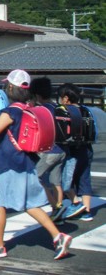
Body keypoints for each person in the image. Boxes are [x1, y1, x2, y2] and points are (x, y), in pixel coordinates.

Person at [0, 69, 72, 260]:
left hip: (8, 163)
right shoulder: (29, 109)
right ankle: (58, 236)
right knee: (31, 205)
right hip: (26, 162)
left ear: (10, 87)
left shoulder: (10, 112)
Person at [29, 77, 68, 222]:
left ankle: (56, 207)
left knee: (36, 177)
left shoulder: (39, 110)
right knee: (55, 182)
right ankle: (59, 210)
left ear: (37, 94)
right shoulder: (57, 107)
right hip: (62, 149)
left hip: (49, 150)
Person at [59, 83, 94, 222]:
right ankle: (87, 210)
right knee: (84, 179)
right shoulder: (86, 110)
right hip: (87, 148)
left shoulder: (64, 110)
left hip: (71, 149)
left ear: (66, 98)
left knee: (66, 179)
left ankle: (76, 203)